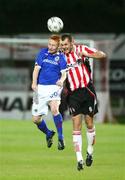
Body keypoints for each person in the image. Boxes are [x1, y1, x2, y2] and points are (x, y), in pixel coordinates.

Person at [60, 34, 106, 170]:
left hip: (87, 91)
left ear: (72, 42)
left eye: (65, 45)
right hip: (73, 94)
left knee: (89, 123)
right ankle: (79, 159)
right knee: (76, 125)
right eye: (62, 45)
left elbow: (99, 54)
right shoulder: (61, 57)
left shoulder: (81, 50)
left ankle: (90, 151)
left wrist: (98, 54)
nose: (63, 47)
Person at [31, 34, 67, 150]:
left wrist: (61, 80)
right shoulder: (42, 52)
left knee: (54, 109)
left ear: (58, 46)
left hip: (54, 87)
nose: (50, 47)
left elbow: (64, 73)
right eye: (49, 44)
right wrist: (34, 83)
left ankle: (61, 137)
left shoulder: (61, 57)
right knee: (35, 119)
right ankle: (48, 133)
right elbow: (36, 69)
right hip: (40, 88)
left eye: (53, 45)